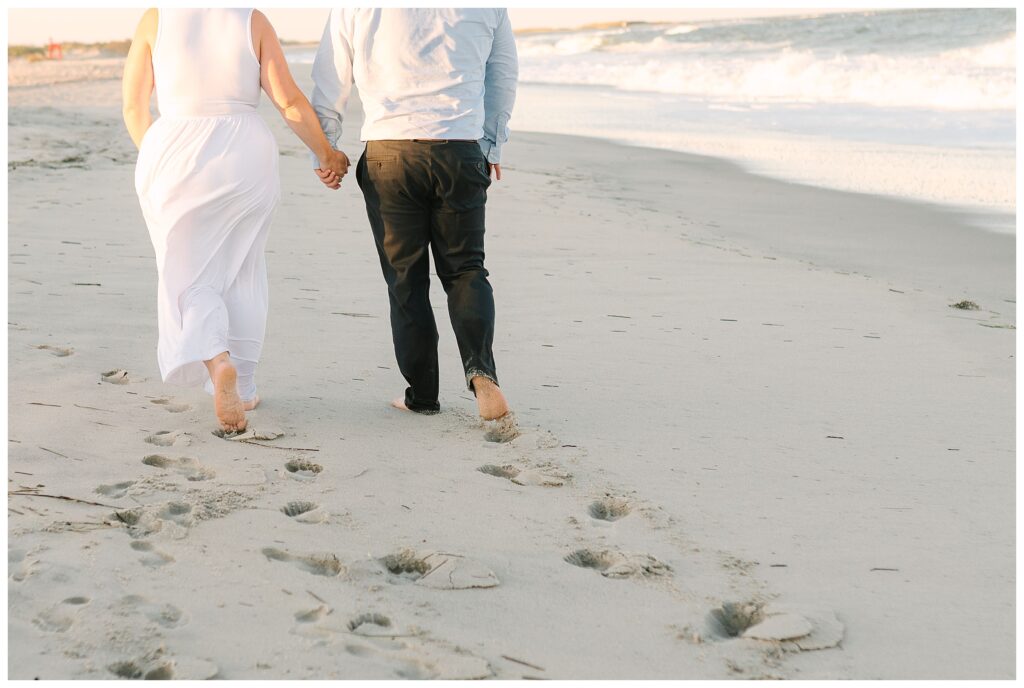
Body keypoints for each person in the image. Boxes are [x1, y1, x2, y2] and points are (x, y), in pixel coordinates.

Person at [123, 8, 348, 432]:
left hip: (175, 150)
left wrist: (160, 159)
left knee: (187, 276)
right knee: (243, 268)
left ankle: (216, 358)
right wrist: (326, 153)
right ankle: (242, 385)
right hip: (245, 152)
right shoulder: (253, 19)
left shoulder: (155, 18)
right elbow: (288, 100)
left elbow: (134, 107)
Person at [311, 8, 518, 435]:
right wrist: (491, 145)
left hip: (390, 153)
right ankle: (482, 373)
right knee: (466, 270)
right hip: (459, 149)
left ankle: (422, 395)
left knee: (405, 278)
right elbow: (502, 75)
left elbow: (331, 78)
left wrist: (326, 149)